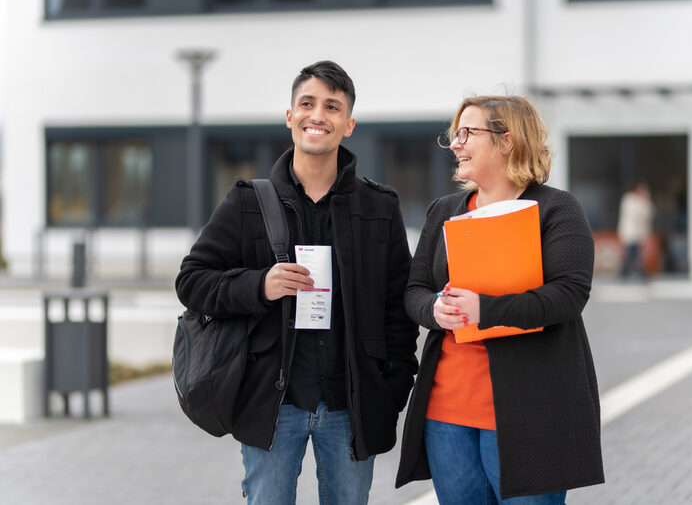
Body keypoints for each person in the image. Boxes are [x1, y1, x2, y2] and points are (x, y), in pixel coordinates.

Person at [175, 60, 419, 505]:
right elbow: (191, 281)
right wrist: (258, 286)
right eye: (307, 103)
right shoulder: (248, 201)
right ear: (290, 117)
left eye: (332, 106)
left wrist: (392, 388)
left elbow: (397, 306)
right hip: (272, 404)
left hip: (351, 406)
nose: (317, 115)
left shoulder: (379, 206)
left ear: (348, 124)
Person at [395, 95, 604, 504]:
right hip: (447, 412)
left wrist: (483, 309)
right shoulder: (444, 210)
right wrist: (435, 310)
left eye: (467, 133)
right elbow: (414, 290)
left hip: (529, 413)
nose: (455, 144)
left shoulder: (556, 209)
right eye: (455, 134)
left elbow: (568, 295)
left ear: (507, 141)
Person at [617, 181, 654, 279]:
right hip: (631, 232)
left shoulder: (642, 201)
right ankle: (627, 272)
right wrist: (643, 202)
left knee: (636, 253)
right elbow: (637, 215)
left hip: (639, 233)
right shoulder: (630, 199)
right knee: (631, 252)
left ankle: (632, 272)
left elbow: (649, 214)